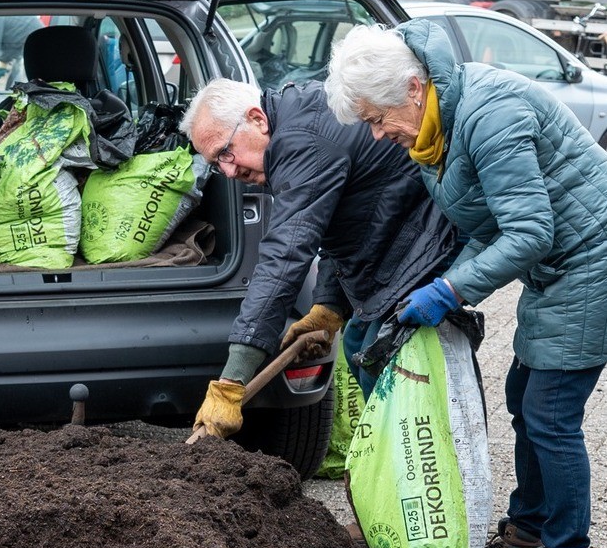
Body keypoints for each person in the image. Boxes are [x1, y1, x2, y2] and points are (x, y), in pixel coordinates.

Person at [325, 18, 607, 548]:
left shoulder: (489, 114)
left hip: (592, 262)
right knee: (523, 393)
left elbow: (530, 231)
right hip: (560, 269)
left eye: (378, 119)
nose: (377, 135)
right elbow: (492, 230)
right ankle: (526, 537)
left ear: (411, 87)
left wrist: (450, 289)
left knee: (549, 414)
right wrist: (441, 282)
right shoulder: (437, 129)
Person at [181, 76, 456, 435]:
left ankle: (419, 467)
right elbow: (339, 225)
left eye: (225, 152)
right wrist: (329, 305)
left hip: (426, 236)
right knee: (359, 342)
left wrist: (232, 379)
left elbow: (287, 254)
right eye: (217, 164)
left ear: (257, 120)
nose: (230, 172)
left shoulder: (300, 142)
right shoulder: (295, 122)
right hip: (396, 231)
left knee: (383, 359)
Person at [0, 15, 44, 90]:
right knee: (12, 88)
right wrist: (3, 62)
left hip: (36, 45)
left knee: (19, 90)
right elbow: (13, 42)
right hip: (26, 46)